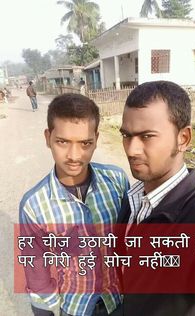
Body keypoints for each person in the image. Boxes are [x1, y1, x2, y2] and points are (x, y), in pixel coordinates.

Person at [118, 80, 195, 316]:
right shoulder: (133, 196)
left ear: (183, 138)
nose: (131, 149)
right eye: (126, 135)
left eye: (147, 136)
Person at [19, 93, 129, 316]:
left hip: (120, 302)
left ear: (96, 140)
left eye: (85, 143)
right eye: (62, 142)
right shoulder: (34, 206)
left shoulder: (116, 182)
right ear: (48, 137)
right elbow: (37, 274)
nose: (74, 155)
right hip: (75, 308)